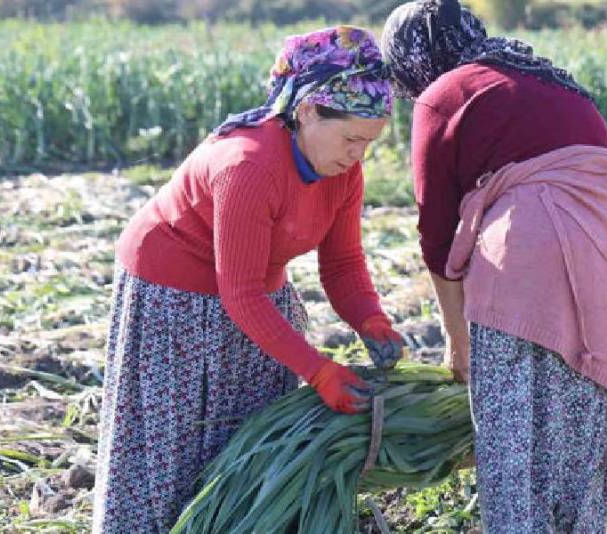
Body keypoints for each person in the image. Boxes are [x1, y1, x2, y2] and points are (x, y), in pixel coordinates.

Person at [92, 25, 405, 533]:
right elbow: (239, 293)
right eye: (350, 138)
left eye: (368, 143)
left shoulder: (343, 170)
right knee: (177, 444)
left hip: (255, 290)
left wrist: (371, 320)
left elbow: (343, 263)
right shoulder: (250, 165)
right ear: (307, 111)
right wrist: (319, 371)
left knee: (249, 436)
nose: (357, 154)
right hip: (175, 293)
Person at [381, 2, 607, 532]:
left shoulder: (444, 96)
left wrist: (459, 346)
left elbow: (436, 238)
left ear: (411, 59)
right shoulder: (548, 77)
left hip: (526, 254)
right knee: (579, 423)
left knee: (513, 436)